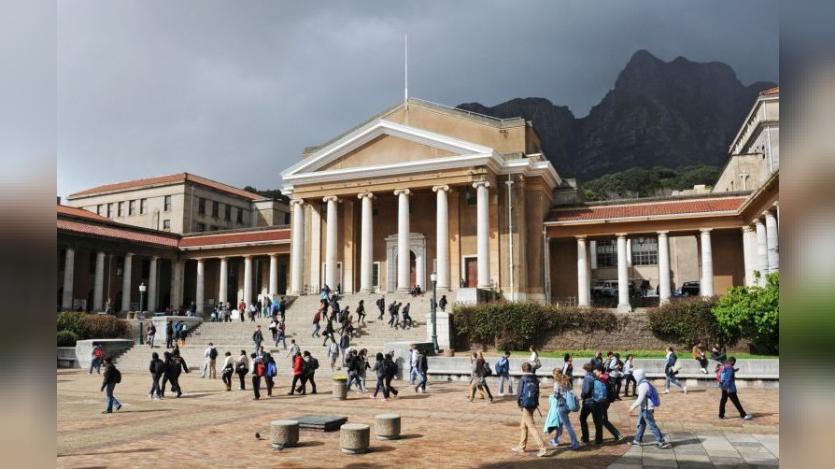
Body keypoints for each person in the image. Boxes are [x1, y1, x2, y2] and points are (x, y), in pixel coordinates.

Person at [512, 362, 551, 457]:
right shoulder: (535, 379)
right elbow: (537, 392)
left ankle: (542, 448)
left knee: (531, 426)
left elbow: (519, 393)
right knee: (523, 426)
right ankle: (521, 446)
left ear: (523, 369)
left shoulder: (523, 379)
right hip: (533, 404)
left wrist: (519, 404)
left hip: (526, 405)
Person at [628, 369, 671, 448]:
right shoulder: (645, 383)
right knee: (641, 424)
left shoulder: (643, 385)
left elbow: (640, 399)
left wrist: (632, 407)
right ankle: (637, 440)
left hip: (647, 409)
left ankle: (661, 441)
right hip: (645, 408)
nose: (634, 377)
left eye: (634, 376)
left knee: (651, 425)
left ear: (638, 376)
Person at [544, 369, 579, 450]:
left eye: (553, 374)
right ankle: (556, 440)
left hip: (561, 406)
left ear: (555, 375)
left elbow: (556, 395)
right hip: (567, 406)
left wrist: (552, 396)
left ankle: (575, 443)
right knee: (559, 424)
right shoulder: (566, 381)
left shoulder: (557, 384)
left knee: (568, 425)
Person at [594, 365, 623, 442]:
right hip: (606, 401)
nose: (595, 372)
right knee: (602, 420)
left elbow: (601, 392)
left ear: (600, 372)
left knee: (602, 420)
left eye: (596, 371)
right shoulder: (606, 377)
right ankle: (615, 435)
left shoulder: (602, 379)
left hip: (602, 401)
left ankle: (616, 434)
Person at [579, 363, 602, 445]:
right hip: (597, 401)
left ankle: (585, 438)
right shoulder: (595, 376)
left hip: (588, 402)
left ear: (585, 369)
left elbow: (585, 391)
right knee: (597, 421)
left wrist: (582, 395)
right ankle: (599, 440)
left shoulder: (587, 377)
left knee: (582, 419)